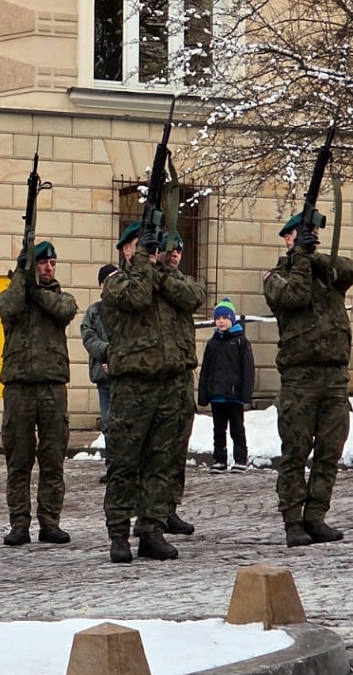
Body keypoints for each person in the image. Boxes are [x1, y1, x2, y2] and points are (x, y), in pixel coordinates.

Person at [102, 222, 203, 564]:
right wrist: (146, 265)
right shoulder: (117, 282)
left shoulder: (167, 280)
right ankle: (119, 534)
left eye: (151, 245)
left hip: (170, 385)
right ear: (126, 250)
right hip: (134, 387)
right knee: (124, 464)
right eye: (140, 245)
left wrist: (160, 274)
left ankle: (152, 530)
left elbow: (194, 297)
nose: (150, 251)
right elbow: (138, 297)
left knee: (162, 462)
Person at [263, 213, 353, 547]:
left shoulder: (326, 272)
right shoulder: (276, 276)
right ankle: (293, 521)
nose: (313, 237)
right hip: (299, 379)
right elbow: (295, 297)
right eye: (305, 233)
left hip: (334, 377)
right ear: (287, 238)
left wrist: (314, 257)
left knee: (329, 451)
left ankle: (316, 516)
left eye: (314, 233)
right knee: (295, 452)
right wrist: (300, 259)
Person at [0, 241, 77, 547]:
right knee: (19, 459)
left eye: (52, 263)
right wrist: (21, 276)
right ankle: (19, 523)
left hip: (53, 385)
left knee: (53, 458)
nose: (48, 268)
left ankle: (50, 522)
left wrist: (35, 289)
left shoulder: (60, 297)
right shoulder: (14, 295)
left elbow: (63, 310)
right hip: (19, 386)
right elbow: (7, 308)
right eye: (42, 263)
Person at [156, 232, 204, 537]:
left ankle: (170, 507)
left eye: (179, 251)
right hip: (158, 375)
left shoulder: (183, 282)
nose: (175, 255)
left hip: (183, 374)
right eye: (170, 250)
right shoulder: (148, 281)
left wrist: (166, 280)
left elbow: (194, 297)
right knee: (156, 451)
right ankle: (151, 512)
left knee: (178, 447)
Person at [197, 298, 255, 473]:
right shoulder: (212, 343)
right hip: (217, 395)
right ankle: (219, 459)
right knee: (218, 429)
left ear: (232, 319)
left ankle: (240, 459)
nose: (221, 321)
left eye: (225, 317)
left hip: (234, 395)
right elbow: (206, 370)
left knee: (237, 429)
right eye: (218, 318)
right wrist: (204, 394)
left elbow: (248, 370)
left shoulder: (241, 342)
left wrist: (246, 393)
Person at [82, 264, 118, 483]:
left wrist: (116, 359)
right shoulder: (94, 311)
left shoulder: (127, 309)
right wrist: (106, 353)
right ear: (101, 285)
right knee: (108, 424)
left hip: (125, 376)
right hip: (104, 378)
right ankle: (112, 466)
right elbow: (88, 338)